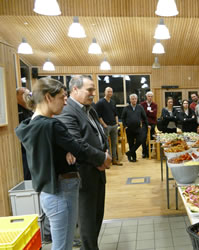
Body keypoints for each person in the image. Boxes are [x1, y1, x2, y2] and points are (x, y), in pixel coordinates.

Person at [15, 77, 101, 250]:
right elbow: (79, 149)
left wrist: (65, 150)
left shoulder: (29, 125)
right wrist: (98, 157)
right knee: (63, 246)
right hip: (62, 191)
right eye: (62, 97)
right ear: (48, 97)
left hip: (47, 193)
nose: (65, 101)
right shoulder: (52, 125)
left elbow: (51, 150)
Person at [55, 75, 112, 250]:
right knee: (87, 226)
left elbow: (100, 133)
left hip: (98, 172)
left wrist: (106, 151)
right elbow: (77, 144)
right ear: (75, 89)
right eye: (90, 90)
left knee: (96, 219)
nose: (93, 93)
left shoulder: (90, 108)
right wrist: (102, 158)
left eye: (94, 90)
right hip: (84, 175)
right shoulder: (67, 111)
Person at [95, 87, 120, 165]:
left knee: (114, 143)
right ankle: (108, 161)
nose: (110, 93)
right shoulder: (100, 102)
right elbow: (98, 116)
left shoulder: (113, 102)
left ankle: (114, 160)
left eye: (111, 92)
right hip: (106, 127)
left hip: (114, 126)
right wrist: (104, 125)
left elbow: (115, 114)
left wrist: (117, 123)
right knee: (106, 144)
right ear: (105, 92)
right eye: (108, 91)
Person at [121, 94, 148, 162]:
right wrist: (125, 126)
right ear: (130, 100)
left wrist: (146, 125)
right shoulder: (126, 108)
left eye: (135, 99)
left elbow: (144, 117)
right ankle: (133, 157)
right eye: (132, 99)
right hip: (129, 129)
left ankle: (130, 153)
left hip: (138, 128)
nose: (134, 100)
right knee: (131, 143)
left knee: (140, 141)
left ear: (137, 99)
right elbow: (123, 118)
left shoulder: (140, 107)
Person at [17, 87, 33, 180]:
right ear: (18, 96)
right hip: (23, 150)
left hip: (30, 149)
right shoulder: (16, 111)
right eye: (27, 95)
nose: (29, 98)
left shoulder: (28, 109)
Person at [140, 91, 158, 158]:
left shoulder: (155, 105)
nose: (150, 97)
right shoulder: (142, 104)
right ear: (146, 96)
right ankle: (144, 152)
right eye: (149, 96)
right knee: (143, 138)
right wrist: (149, 112)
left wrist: (146, 112)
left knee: (151, 138)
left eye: (151, 96)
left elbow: (154, 114)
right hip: (144, 123)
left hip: (152, 123)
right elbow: (142, 114)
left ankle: (149, 152)